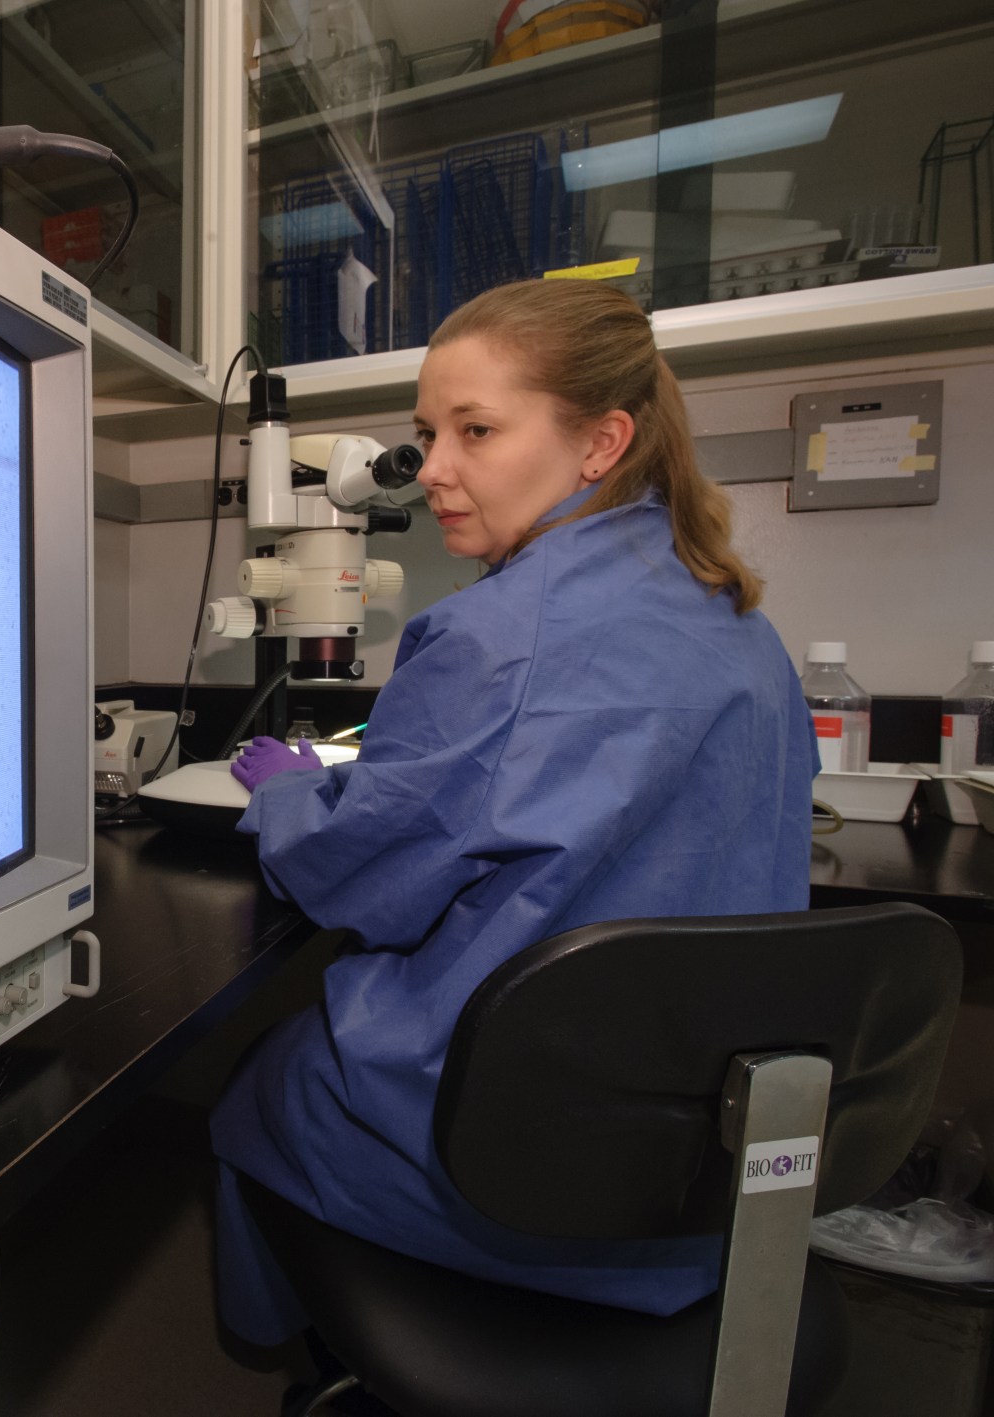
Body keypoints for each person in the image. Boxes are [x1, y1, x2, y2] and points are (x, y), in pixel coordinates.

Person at [210, 278, 818, 1345]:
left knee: (260, 1083)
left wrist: (289, 794)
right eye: (425, 433)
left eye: (474, 430)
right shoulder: (739, 622)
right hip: (697, 1171)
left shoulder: (493, 634)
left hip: (514, 1172)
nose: (433, 469)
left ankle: (278, 1349)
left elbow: (364, 876)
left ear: (600, 444)